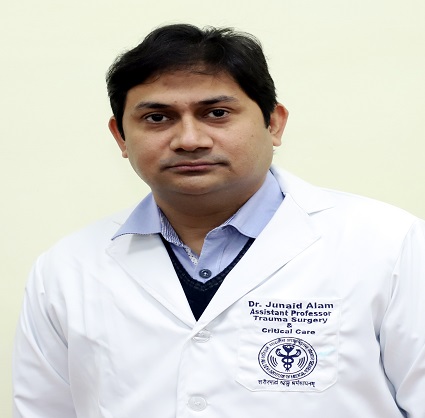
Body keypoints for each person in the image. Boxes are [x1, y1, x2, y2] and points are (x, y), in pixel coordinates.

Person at [13, 23, 425, 418]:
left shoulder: (390, 246)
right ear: (120, 136)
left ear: (273, 123)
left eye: (216, 113)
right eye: (157, 118)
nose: (189, 140)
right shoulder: (67, 269)